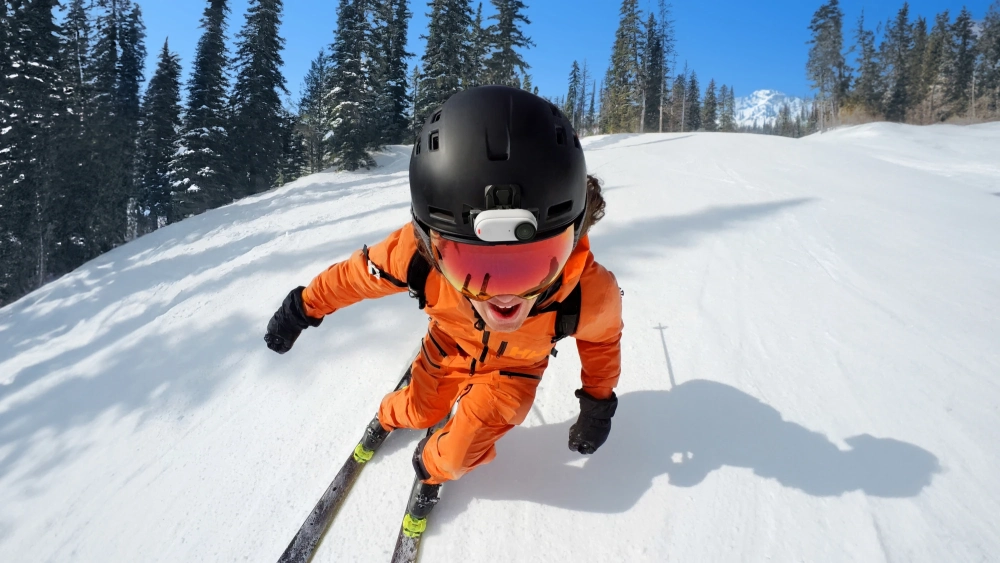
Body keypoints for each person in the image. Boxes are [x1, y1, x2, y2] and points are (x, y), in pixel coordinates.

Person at [264, 85, 623, 524]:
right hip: (447, 348)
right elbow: (356, 277)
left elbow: (602, 342)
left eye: (533, 263)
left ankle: (432, 467)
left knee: (454, 457)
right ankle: (389, 414)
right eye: (470, 264)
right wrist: (304, 306)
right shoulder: (417, 256)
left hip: (514, 373)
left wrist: (597, 403)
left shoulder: (587, 290)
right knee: (420, 411)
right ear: (431, 246)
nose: (503, 296)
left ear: (573, 237)